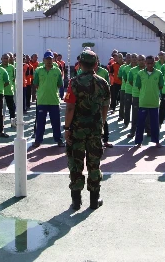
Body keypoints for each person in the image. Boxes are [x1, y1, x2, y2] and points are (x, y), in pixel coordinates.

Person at [63, 50, 109, 210]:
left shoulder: (74, 83)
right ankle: (94, 201)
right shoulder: (103, 82)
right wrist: (101, 123)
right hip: (95, 130)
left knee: (76, 164)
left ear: (80, 64)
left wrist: (67, 128)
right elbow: (105, 106)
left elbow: (70, 107)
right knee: (94, 164)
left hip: (77, 130)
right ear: (96, 64)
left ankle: (76, 202)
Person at [33, 51, 64, 148]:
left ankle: (58, 140)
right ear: (43, 60)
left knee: (56, 122)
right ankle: (38, 140)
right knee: (40, 122)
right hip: (42, 100)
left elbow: (60, 84)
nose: (49, 61)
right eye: (47, 59)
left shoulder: (57, 71)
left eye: (50, 59)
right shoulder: (38, 70)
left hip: (54, 100)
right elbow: (36, 84)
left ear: (53, 59)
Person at [133, 55, 164, 148]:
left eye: (151, 63)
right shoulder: (140, 74)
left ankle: (156, 141)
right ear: (145, 63)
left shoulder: (158, 73)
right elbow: (138, 86)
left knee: (155, 124)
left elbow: (161, 86)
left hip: (154, 102)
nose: (150, 65)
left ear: (154, 63)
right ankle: (138, 142)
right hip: (143, 102)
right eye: (148, 63)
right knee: (140, 123)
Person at [127, 55, 146, 138]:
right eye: (139, 60)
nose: (141, 61)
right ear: (137, 61)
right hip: (136, 95)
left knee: (147, 114)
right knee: (135, 114)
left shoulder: (148, 70)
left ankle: (148, 131)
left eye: (142, 59)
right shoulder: (132, 70)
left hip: (147, 95)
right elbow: (130, 81)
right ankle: (133, 131)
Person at [122, 54, 137, 129]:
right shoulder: (126, 68)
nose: (134, 59)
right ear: (130, 59)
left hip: (138, 92)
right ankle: (126, 122)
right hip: (128, 90)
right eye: (132, 57)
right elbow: (125, 78)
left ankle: (135, 125)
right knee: (127, 108)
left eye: (135, 57)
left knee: (136, 109)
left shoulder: (140, 68)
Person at [1, 53, 16, 127]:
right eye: (4, 58)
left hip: (9, 90)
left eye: (7, 58)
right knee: (0, 108)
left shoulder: (12, 67)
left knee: (11, 108)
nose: (6, 60)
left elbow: (14, 77)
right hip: (0, 90)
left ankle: (12, 122)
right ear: (1, 59)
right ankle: (0, 123)